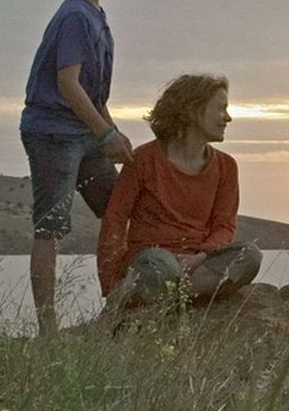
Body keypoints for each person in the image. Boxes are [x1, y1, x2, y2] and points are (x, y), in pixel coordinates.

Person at [20, 0, 135, 336]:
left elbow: (94, 93)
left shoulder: (95, 16)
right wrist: (105, 135)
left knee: (119, 209)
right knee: (50, 227)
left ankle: (123, 306)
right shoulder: (73, 17)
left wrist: (113, 133)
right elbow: (67, 82)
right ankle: (47, 331)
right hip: (52, 131)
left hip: (84, 131)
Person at [96, 73, 262, 317]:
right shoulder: (142, 160)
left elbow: (225, 226)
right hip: (153, 260)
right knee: (160, 268)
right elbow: (115, 221)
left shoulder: (227, 166)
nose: (227, 118)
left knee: (250, 254)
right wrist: (110, 286)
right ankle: (169, 295)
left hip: (200, 261)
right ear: (193, 110)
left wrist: (199, 257)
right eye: (221, 109)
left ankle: (164, 300)